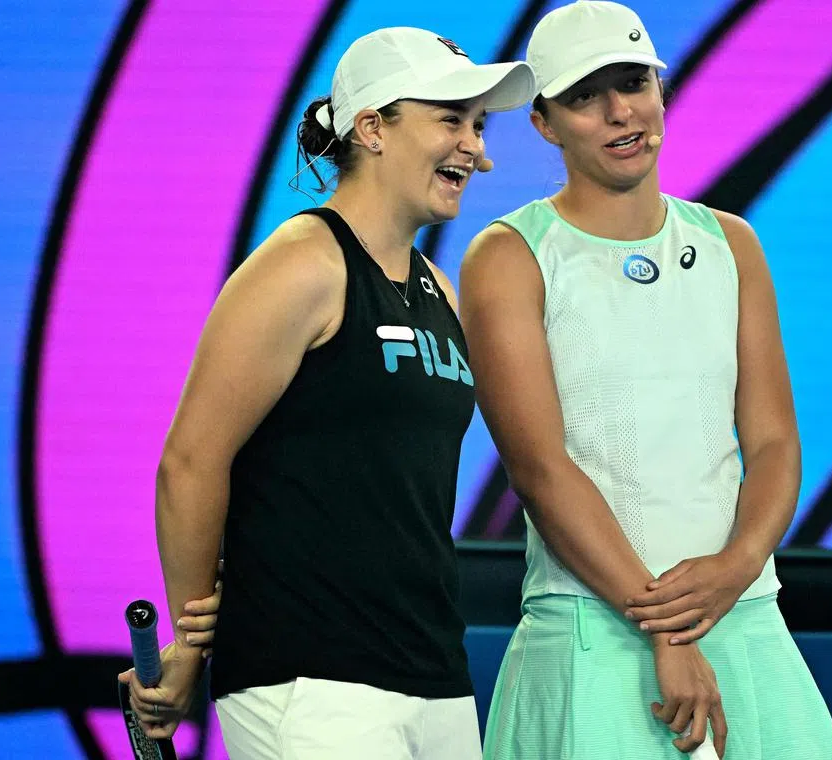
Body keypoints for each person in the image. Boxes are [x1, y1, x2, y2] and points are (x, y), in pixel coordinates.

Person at [117, 26, 535, 759]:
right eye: (450, 120)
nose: (478, 149)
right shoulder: (301, 264)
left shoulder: (438, 290)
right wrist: (189, 645)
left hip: (435, 676)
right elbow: (189, 461)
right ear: (372, 127)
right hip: (309, 684)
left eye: (478, 125)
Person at [458, 2, 832, 758]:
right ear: (543, 122)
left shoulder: (732, 242)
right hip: (591, 632)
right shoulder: (507, 255)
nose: (619, 112)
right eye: (584, 96)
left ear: (661, 89)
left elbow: (771, 442)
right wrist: (666, 627)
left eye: (633, 82)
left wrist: (734, 571)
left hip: (744, 615)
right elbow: (539, 469)